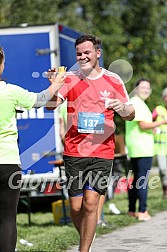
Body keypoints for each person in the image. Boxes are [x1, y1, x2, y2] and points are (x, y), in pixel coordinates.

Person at [46, 34, 135, 252]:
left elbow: (130, 114)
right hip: (74, 151)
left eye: (87, 52)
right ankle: (88, 235)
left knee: (90, 203)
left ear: (97, 53)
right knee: (76, 208)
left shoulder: (113, 80)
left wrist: (121, 107)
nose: (83, 57)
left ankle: (84, 249)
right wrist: (53, 87)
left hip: (102, 151)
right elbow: (50, 106)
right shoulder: (70, 78)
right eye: (79, 53)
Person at [0, 46, 65, 252]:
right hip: (6, 162)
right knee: (7, 219)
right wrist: (55, 84)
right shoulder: (9, 91)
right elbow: (39, 100)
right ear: (1, 66)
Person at [125, 78, 167, 221]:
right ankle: (142, 211)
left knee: (136, 179)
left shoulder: (136, 102)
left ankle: (131, 210)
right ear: (136, 88)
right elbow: (143, 125)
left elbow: (142, 126)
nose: (146, 90)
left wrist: (153, 127)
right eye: (143, 87)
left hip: (136, 146)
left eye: (148, 88)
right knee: (142, 180)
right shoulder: (137, 103)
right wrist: (161, 122)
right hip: (142, 148)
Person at [152, 87, 167, 198]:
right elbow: (149, 121)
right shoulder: (158, 109)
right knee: (163, 169)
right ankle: (165, 189)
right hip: (161, 147)